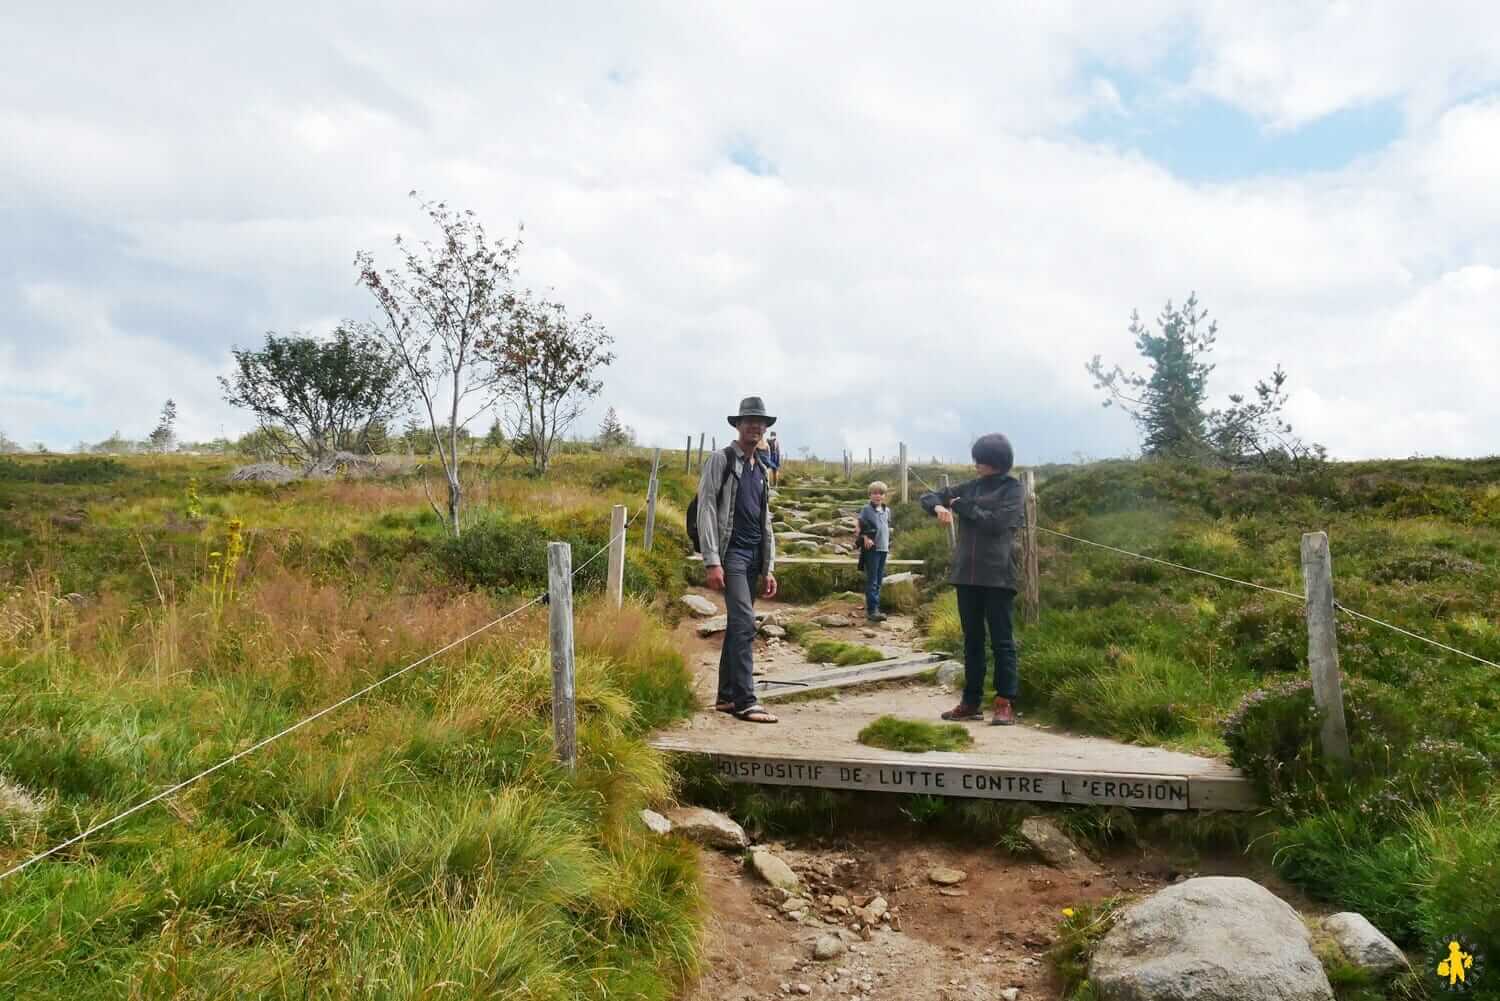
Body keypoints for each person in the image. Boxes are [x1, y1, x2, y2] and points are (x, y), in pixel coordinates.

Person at [919, 433, 1025, 726]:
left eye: (982, 460)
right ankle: (971, 702)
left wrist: (962, 506)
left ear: (997, 461)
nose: (977, 464)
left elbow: (998, 524)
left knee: (1002, 641)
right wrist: (939, 506)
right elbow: (929, 496)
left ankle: (1005, 702)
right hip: (966, 574)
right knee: (972, 641)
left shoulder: (1013, 489)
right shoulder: (972, 485)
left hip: (998, 575)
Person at [697, 396, 780, 724]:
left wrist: (768, 566)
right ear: (737, 425)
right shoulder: (721, 459)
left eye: (760, 422)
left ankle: (727, 696)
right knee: (745, 624)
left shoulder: (760, 468)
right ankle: (747, 700)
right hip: (731, 554)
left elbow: (766, 520)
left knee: (737, 626)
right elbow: (705, 507)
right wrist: (711, 560)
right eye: (749, 421)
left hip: (753, 557)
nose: (755, 426)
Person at [856, 481, 893, 623]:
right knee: (872, 580)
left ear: (884, 495)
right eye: (875, 493)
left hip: (884, 548)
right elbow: (860, 526)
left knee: (879, 579)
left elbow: (886, 526)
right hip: (872, 549)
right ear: (870, 494)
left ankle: (875, 607)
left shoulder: (886, 510)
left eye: (881, 493)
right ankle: (872, 610)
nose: (878, 496)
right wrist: (865, 537)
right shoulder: (866, 509)